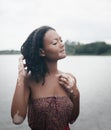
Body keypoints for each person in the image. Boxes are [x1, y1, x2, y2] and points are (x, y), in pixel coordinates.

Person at [11, 26, 80, 130]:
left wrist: (76, 94)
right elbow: (17, 120)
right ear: (41, 52)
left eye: (61, 40)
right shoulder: (29, 81)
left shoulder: (69, 79)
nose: (62, 44)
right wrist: (21, 78)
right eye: (55, 43)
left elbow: (72, 119)